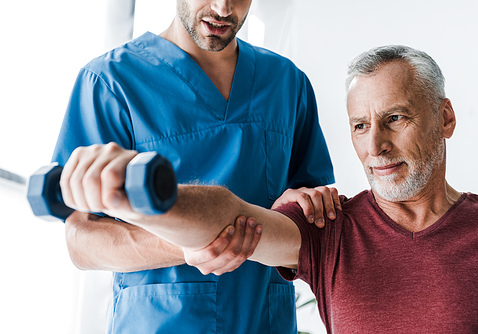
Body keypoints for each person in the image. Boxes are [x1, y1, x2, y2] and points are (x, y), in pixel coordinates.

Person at [58, 45, 478, 333]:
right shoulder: (336, 233)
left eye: (396, 119)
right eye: (360, 126)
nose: (375, 146)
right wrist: (134, 198)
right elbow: (229, 214)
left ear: (445, 118)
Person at [53, 0, 337, 333]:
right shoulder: (110, 81)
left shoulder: (287, 84)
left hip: (264, 322)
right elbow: (81, 241)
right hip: (159, 323)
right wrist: (189, 244)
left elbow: (316, 227)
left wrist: (302, 205)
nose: (223, 8)